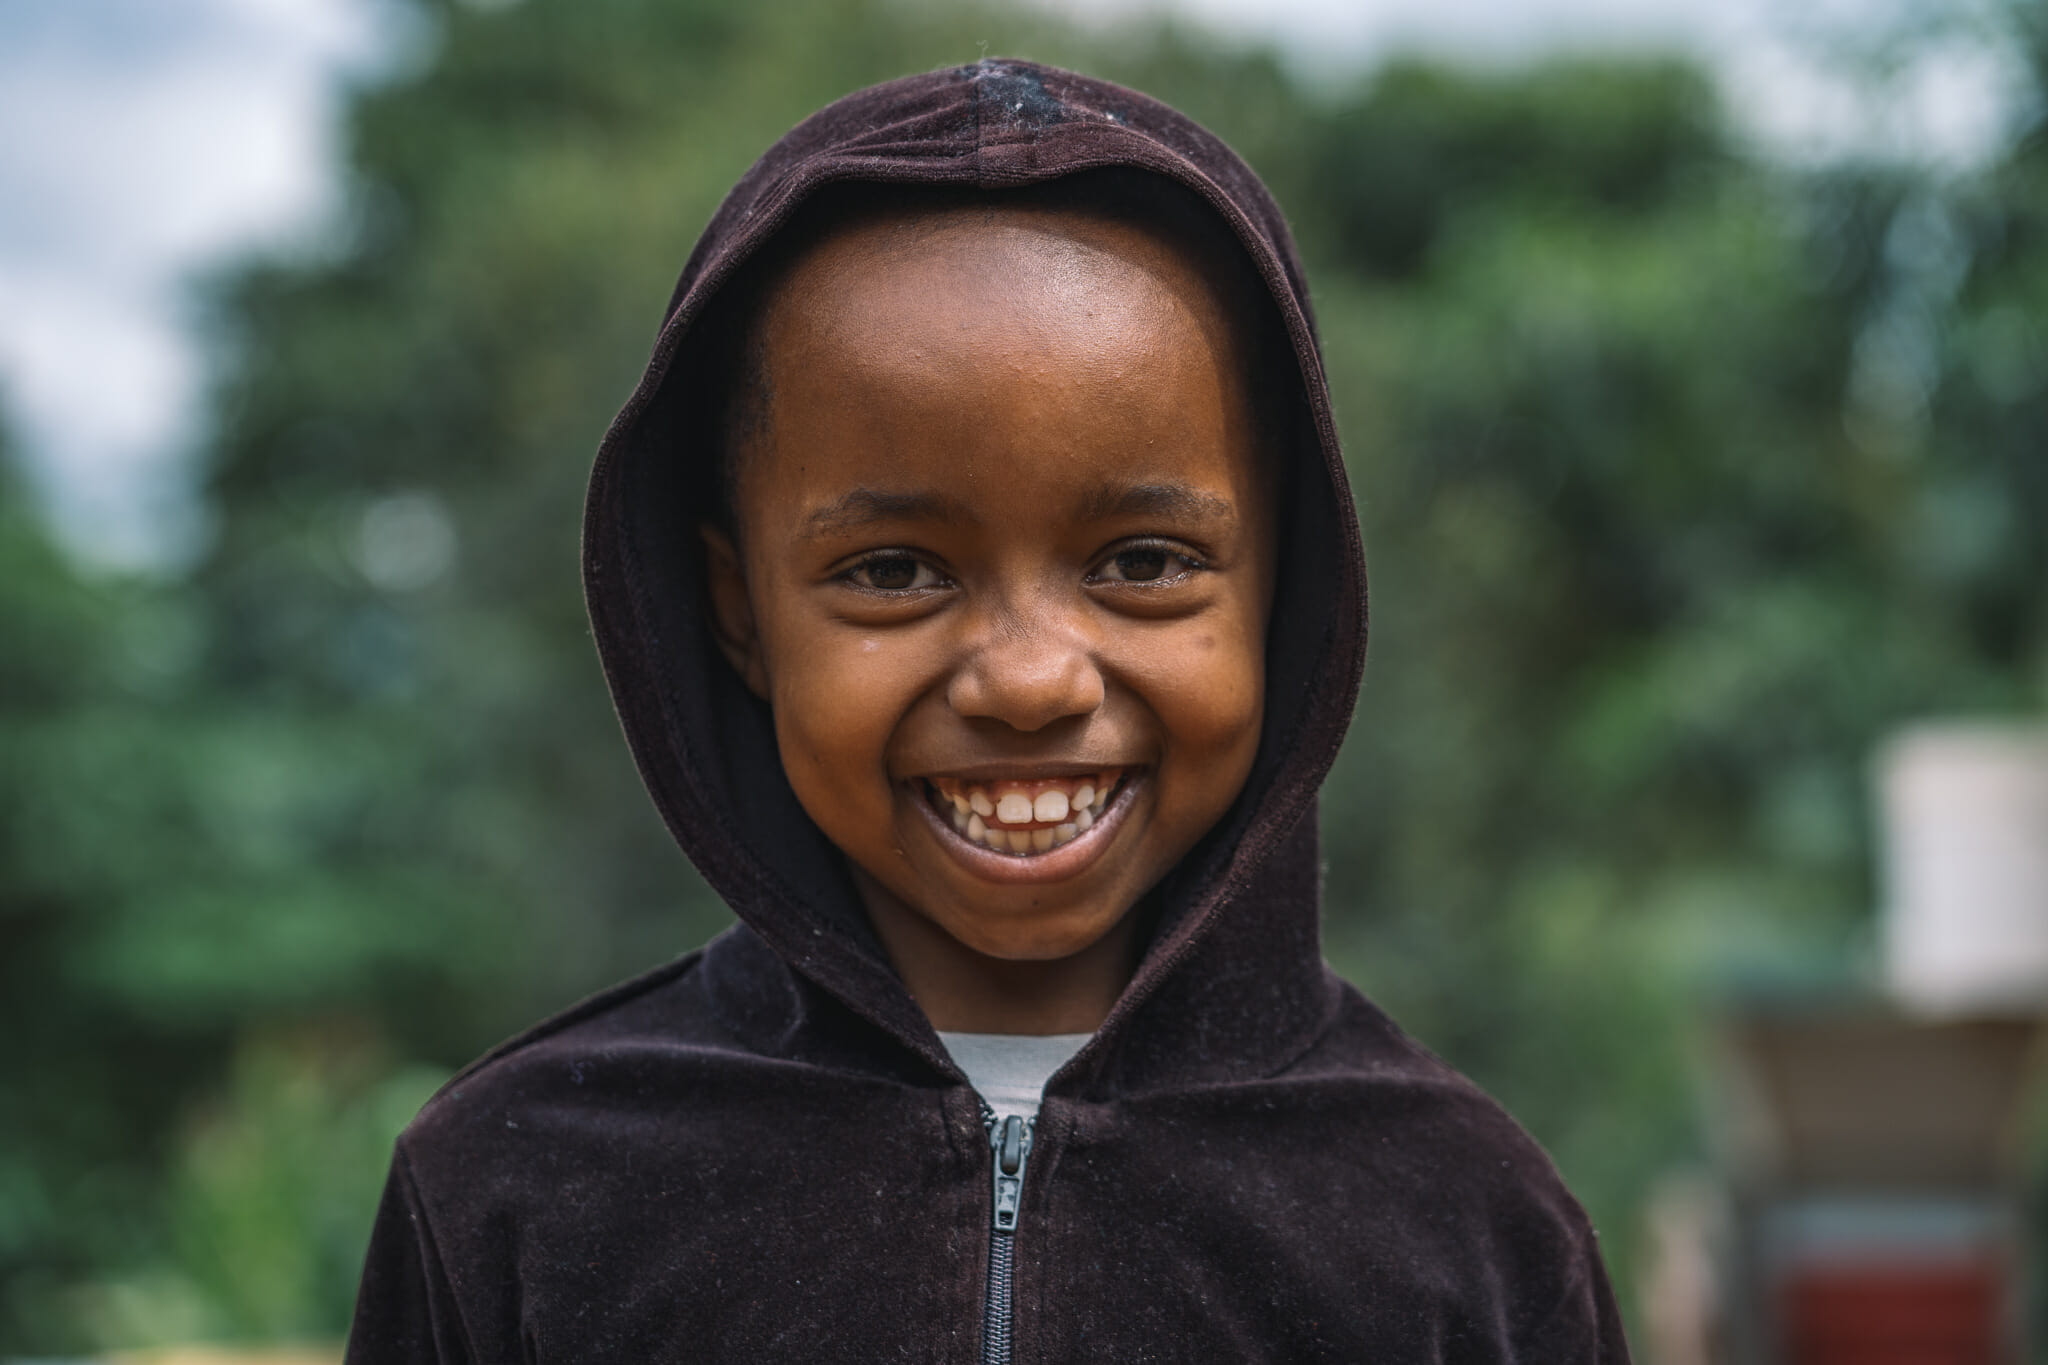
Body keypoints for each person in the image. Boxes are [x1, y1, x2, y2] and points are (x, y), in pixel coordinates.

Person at [345, 59, 1630, 1362]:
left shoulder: (1471, 1232)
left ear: (1284, 586)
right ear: (739, 611)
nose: (1029, 679)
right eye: (894, 570)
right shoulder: (515, 1197)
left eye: (1142, 560)